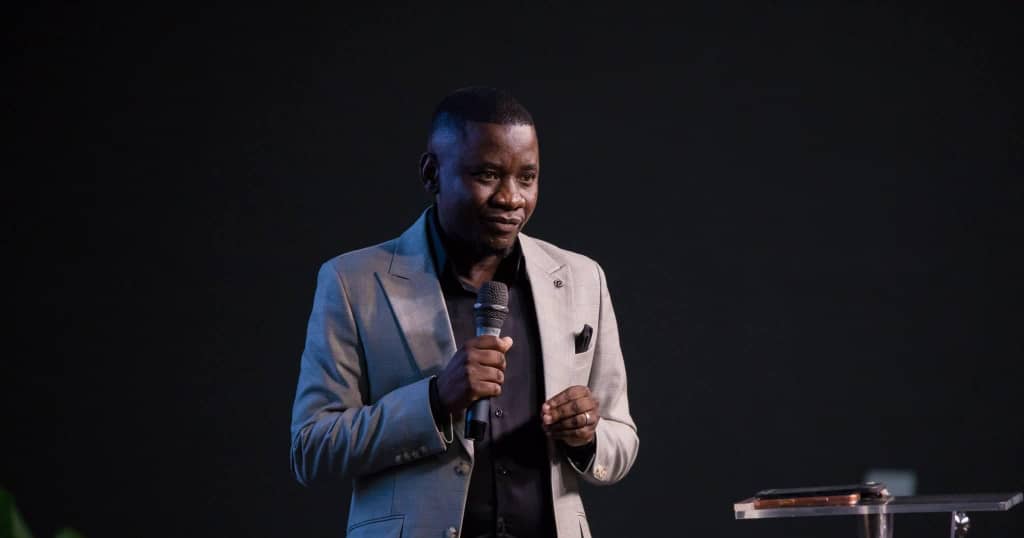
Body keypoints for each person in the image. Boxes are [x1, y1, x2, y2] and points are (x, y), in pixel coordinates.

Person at [290, 87, 638, 538]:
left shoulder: (581, 278)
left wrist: (586, 434)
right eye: (488, 174)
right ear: (431, 173)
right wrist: (435, 401)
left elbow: (621, 439)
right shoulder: (353, 282)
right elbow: (312, 449)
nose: (511, 198)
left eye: (527, 178)